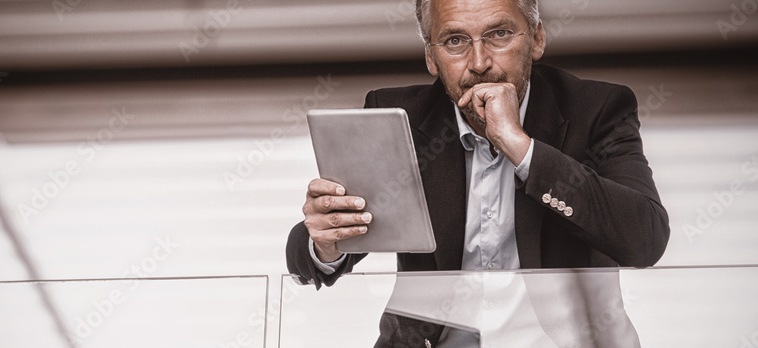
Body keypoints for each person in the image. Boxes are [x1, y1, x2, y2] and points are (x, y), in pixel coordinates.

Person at [286, 0, 670, 286]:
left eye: (499, 34)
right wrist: (326, 243)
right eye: (454, 41)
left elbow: (646, 240)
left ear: (536, 39)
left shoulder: (598, 109)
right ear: (431, 58)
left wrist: (519, 146)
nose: (480, 62)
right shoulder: (399, 116)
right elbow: (317, 248)